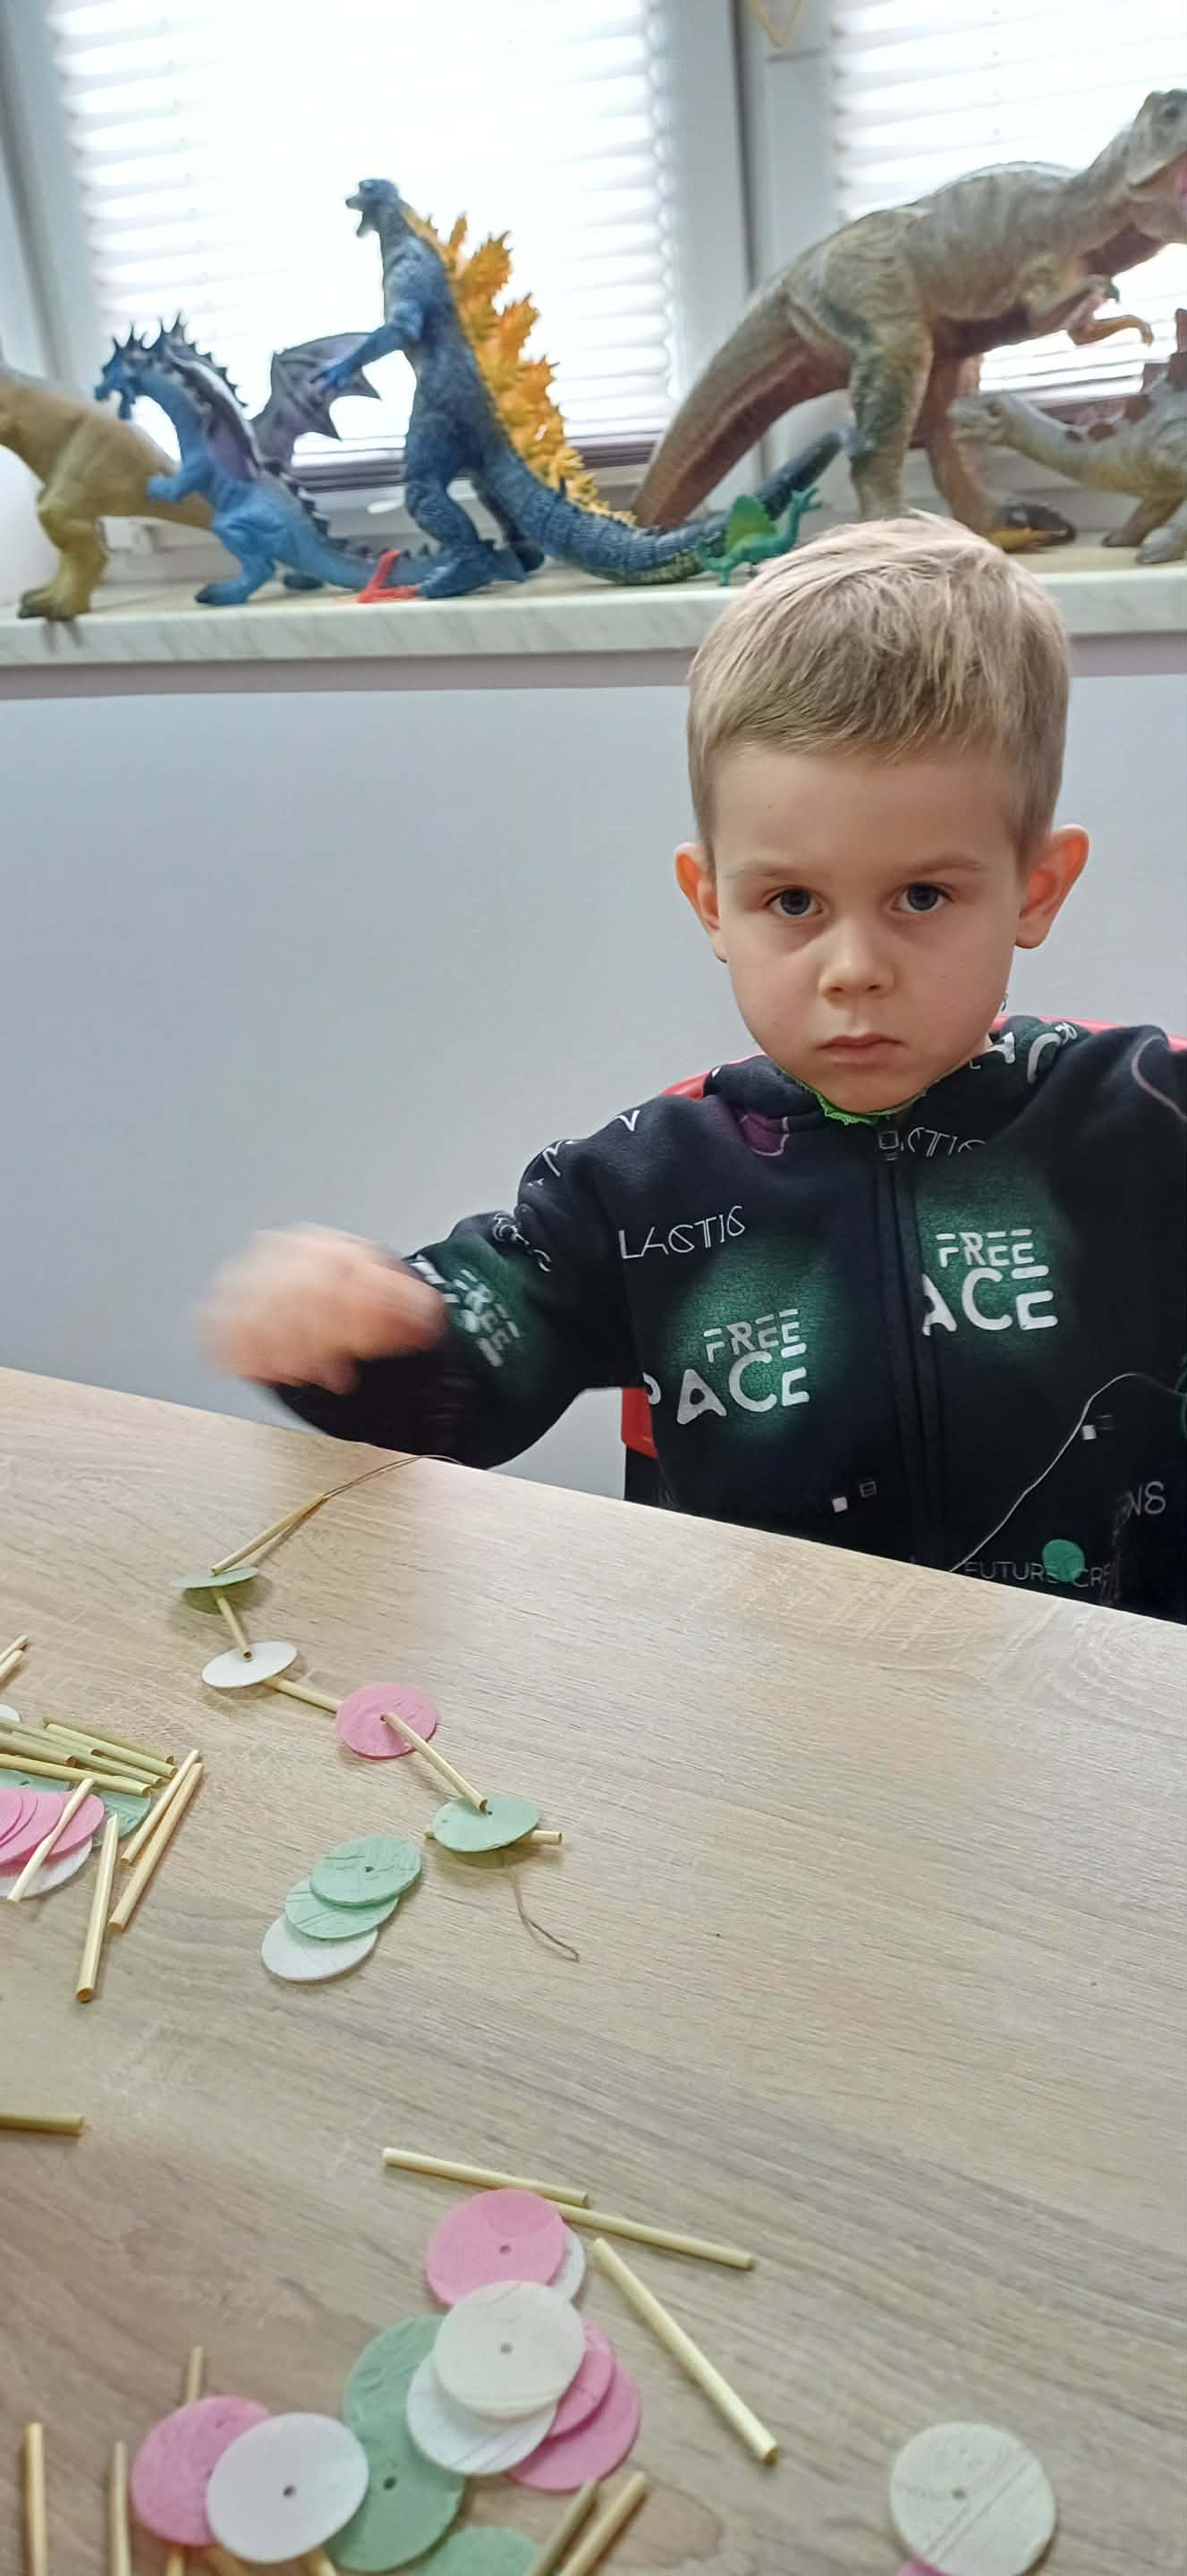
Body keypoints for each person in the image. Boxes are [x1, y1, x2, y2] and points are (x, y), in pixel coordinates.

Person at [205, 518, 1185, 1618]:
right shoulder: (645, 1181)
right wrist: (370, 1331)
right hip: (769, 1697)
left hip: (1102, 1701)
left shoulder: (1146, 1122)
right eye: (792, 902)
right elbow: (465, 1389)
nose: (853, 970)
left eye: (922, 896)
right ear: (713, 903)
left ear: (1034, 890)